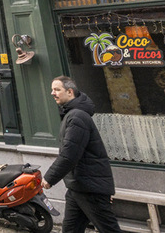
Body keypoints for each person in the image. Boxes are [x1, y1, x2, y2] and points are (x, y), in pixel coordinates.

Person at [42, 76, 122, 233]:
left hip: (90, 187)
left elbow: (70, 154)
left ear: (70, 92)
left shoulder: (77, 116)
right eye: (52, 89)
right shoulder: (72, 114)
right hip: (78, 186)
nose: (52, 93)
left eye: (57, 89)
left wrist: (49, 178)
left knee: (109, 229)